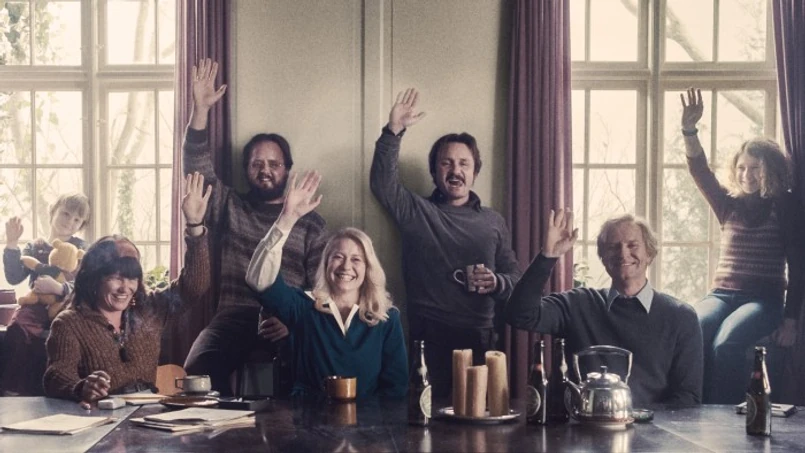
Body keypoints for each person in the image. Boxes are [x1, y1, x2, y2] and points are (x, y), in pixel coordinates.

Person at [182, 58, 326, 395]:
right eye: (256, 164)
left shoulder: (312, 223)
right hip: (233, 315)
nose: (265, 170)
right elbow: (195, 165)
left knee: (302, 379)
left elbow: (321, 288)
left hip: (286, 319)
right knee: (196, 375)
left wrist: (294, 320)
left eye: (274, 164)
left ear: (287, 169)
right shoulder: (230, 205)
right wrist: (200, 110)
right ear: (246, 170)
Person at [370, 88, 522, 397]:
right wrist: (393, 130)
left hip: (481, 338)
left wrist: (496, 282)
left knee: (479, 420)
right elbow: (382, 184)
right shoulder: (416, 211)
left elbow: (516, 280)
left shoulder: (493, 221)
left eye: (464, 164)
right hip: (428, 338)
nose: (455, 171)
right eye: (446, 163)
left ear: (475, 172)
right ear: (434, 171)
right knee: (428, 417)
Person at [680, 88, 805, 404]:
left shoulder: (785, 206)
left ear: (770, 169)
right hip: (721, 295)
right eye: (741, 167)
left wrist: (791, 320)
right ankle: (691, 406)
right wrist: (689, 130)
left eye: (755, 168)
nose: (746, 175)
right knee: (693, 329)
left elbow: (798, 266)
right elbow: (700, 171)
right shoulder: (728, 204)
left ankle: (722, 417)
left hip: (763, 300)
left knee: (726, 344)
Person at [43, 172, 211, 407]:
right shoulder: (69, 323)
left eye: (132, 278)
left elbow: (194, 286)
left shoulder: (149, 309)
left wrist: (194, 227)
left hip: (150, 416)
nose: (125, 288)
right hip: (104, 418)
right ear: (94, 279)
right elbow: (56, 375)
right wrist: (81, 387)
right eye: (115, 278)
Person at [505, 211, 703, 406]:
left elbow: (688, 398)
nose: (623, 253)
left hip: (652, 425)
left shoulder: (681, 317)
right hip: (581, 424)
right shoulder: (578, 304)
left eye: (632, 245)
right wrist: (547, 256)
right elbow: (520, 315)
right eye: (613, 247)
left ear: (649, 254)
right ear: (603, 258)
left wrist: (631, 417)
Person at [246, 171, 408, 398]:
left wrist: (365, 419)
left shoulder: (387, 318)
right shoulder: (304, 306)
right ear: (325, 264)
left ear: (368, 268)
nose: (346, 266)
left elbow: (396, 390)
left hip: (367, 419)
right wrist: (287, 219)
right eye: (338, 257)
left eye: (356, 259)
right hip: (308, 417)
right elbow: (259, 280)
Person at [2, 193, 90, 396]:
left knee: (63, 336)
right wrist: (12, 243)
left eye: (77, 219)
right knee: (17, 327)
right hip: (35, 306)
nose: (69, 222)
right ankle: (10, 390)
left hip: (67, 306)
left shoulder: (81, 249)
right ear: (52, 211)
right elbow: (14, 277)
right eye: (65, 214)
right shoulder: (36, 246)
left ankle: (61, 389)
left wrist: (60, 288)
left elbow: (86, 283)